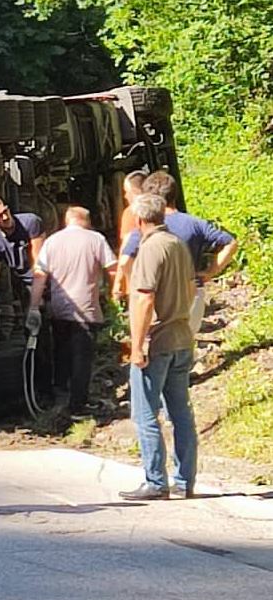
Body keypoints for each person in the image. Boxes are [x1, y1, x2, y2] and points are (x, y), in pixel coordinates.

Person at [119, 194, 198, 500]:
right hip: (181, 335)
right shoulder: (178, 244)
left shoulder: (150, 248)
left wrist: (137, 346)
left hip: (158, 341)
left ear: (139, 221)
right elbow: (191, 288)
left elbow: (144, 297)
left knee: (145, 413)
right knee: (181, 412)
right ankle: (184, 480)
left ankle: (155, 481)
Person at [115, 170, 237, 333]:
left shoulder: (146, 227)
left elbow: (124, 261)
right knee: (187, 344)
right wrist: (211, 271)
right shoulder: (195, 223)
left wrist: (137, 285)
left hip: (159, 297)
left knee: (159, 349)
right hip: (192, 292)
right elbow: (230, 242)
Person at [26, 207, 117, 418]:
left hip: (59, 310)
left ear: (67, 221)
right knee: (82, 359)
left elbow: (39, 276)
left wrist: (33, 307)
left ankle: (61, 399)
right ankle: (78, 405)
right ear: (86, 220)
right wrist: (119, 292)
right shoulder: (95, 239)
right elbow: (113, 269)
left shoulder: (52, 242)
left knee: (63, 354)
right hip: (86, 309)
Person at [0, 196, 46, 301]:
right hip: (25, 283)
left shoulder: (30, 222)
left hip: (47, 279)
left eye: (5, 211)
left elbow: (39, 260)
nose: (5, 217)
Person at [111, 171, 145, 300]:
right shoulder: (161, 208)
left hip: (138, 280)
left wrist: (118, 282)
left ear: (135, 191)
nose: (125, 196)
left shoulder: (131, 213)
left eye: (127, 191)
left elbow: (126, 250)